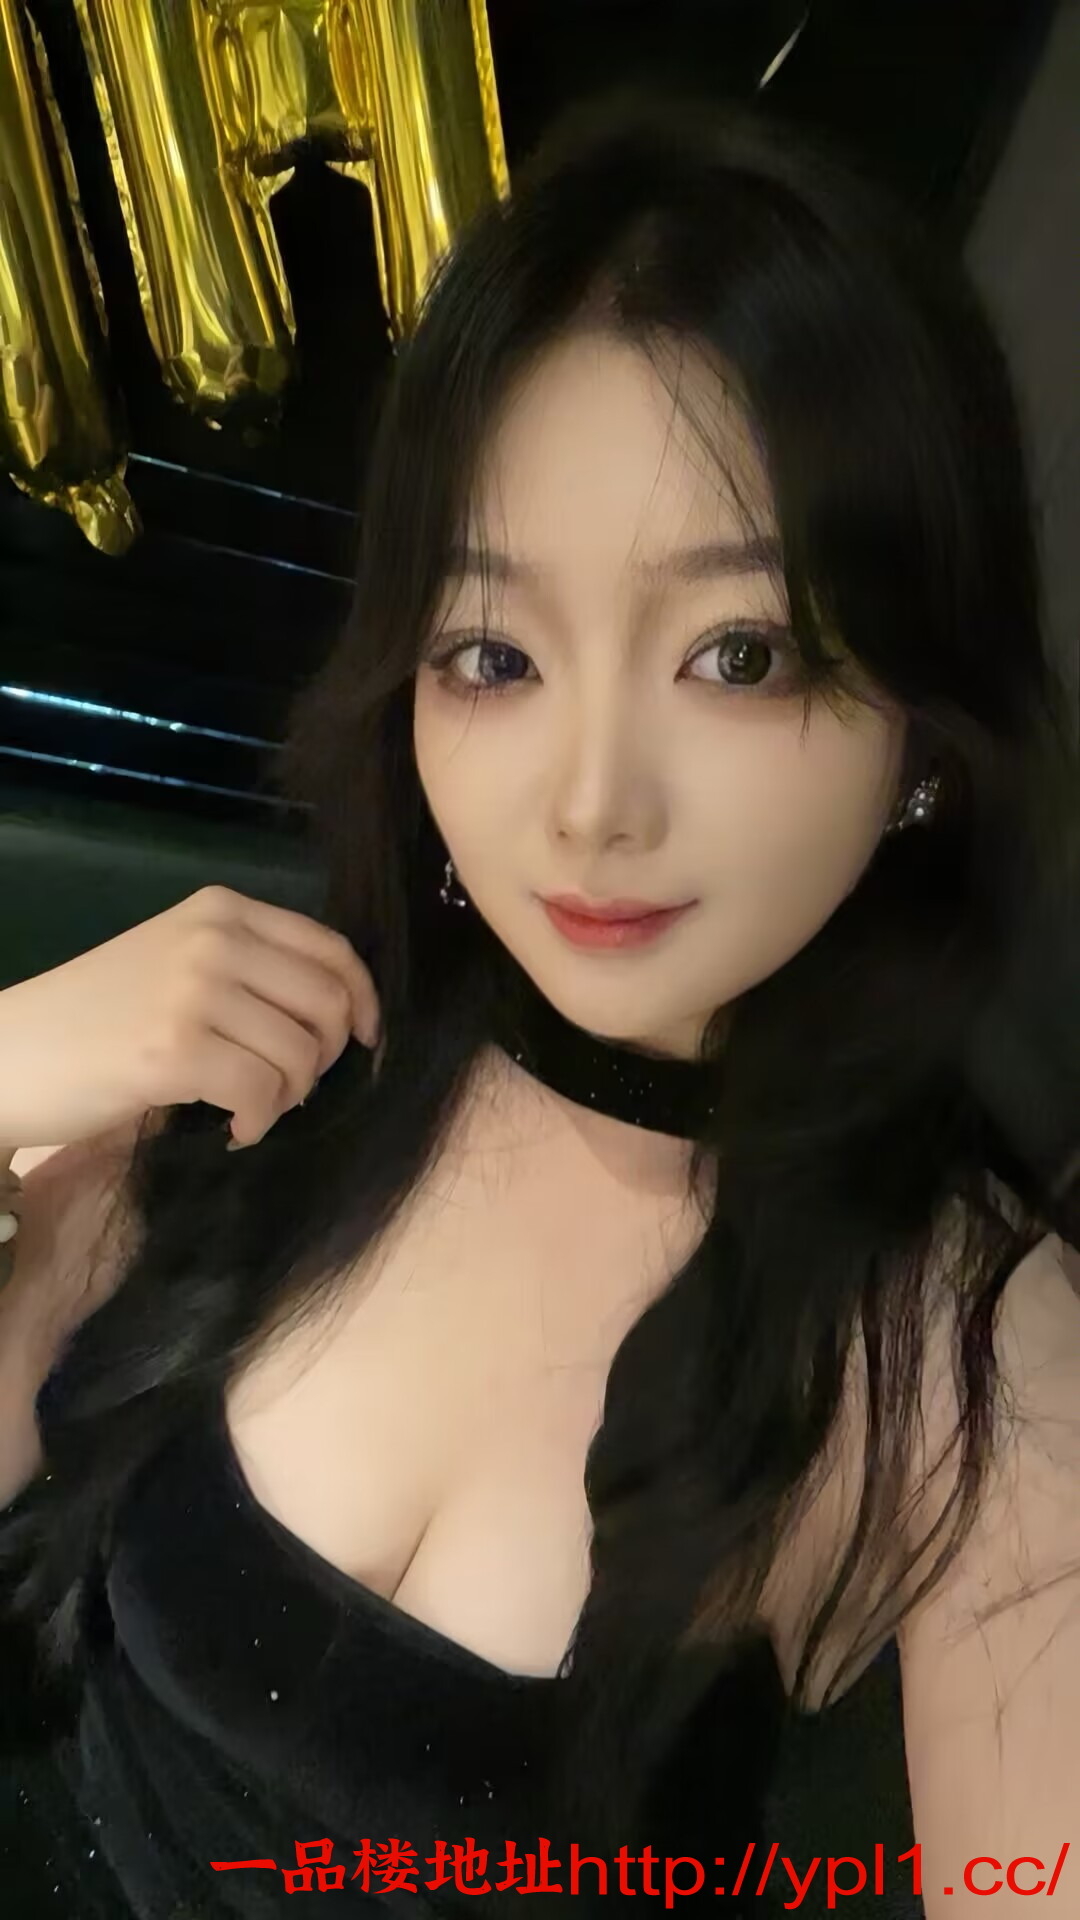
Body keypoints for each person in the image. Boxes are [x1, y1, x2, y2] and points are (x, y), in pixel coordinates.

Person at [1, 88, 1078, 1920]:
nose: (588, 804)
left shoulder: (969, 1355)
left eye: (738, 654)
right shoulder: (279, 1053)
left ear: (920, 722)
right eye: (495, 653)